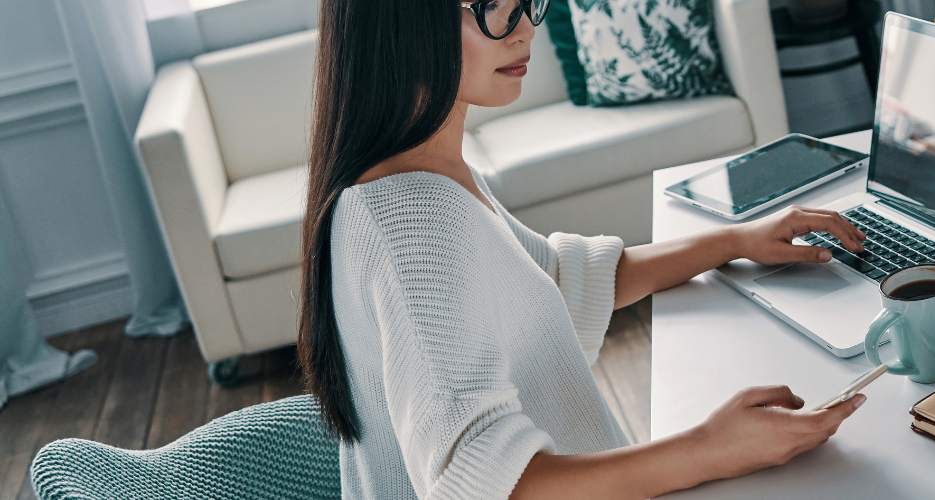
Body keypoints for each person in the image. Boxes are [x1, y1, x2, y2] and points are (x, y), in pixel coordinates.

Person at [296, 0, 871, 497]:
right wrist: (710, 449)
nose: (525, 29)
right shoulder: (412, 222)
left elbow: (558, 282)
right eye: (493, 6)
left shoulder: (426, 177)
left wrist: (736, 239)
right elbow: (483, 487)